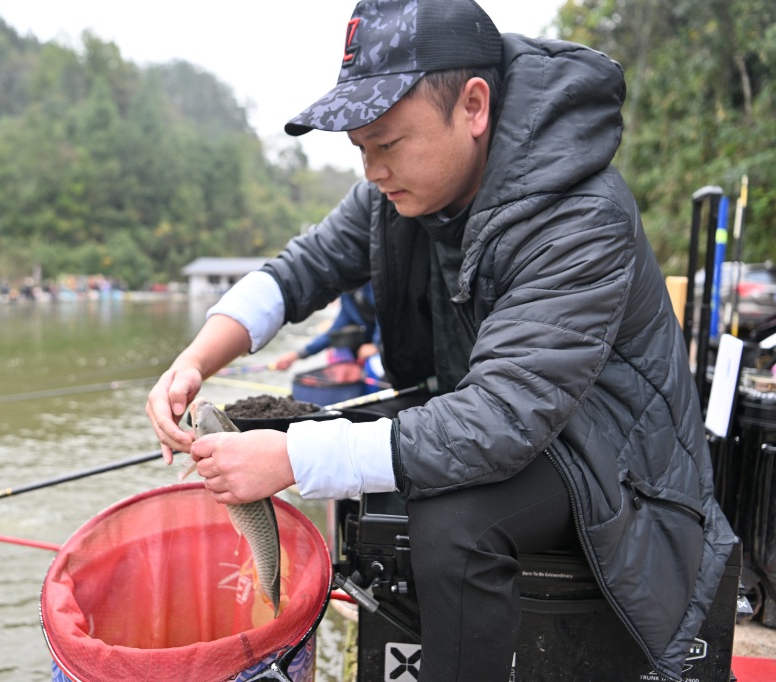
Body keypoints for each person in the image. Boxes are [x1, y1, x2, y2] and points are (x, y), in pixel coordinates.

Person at [145, 1, 736, 680]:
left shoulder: (579, 215)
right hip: (503, 415)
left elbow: (502, 419)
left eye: (388, 144)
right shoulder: (400, 190)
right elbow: (300, 269)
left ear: (474, 107)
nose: (372, 172)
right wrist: (194, 359)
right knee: (290, 421)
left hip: (613, 457)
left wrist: (293, 459)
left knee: (456, 522)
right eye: (360, 150)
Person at [273, 282, 381, 370]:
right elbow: (331, 334)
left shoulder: (373, 284)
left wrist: (376, 345)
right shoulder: (347, 298)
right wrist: (295, 356)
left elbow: (386, 311)